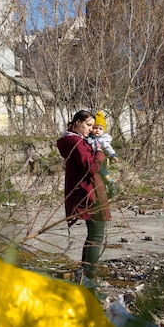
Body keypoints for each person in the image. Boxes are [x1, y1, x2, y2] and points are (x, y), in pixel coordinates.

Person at [56, 110, 112, 280]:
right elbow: (91, 167)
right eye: (87, 125)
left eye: (92, 125)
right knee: (96, 235)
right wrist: (101, 151)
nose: (91, 128)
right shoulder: (75, 141)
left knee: (93, 234)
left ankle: (85, 272)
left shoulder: (73, 140)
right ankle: (90, 275)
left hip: (87, 189)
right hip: (90, 192)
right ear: (76, 122)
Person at [92, 110, 119, 198]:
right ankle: (105, 187)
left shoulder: (102, 139)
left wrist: (113, 155)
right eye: (95, 128)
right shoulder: (90, 138)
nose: (97, 130)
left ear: (103, 131)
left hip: (100, 159)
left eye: (100, 129)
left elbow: (108, 148)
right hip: (93, 159)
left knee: (102, 171)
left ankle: (110, 183)